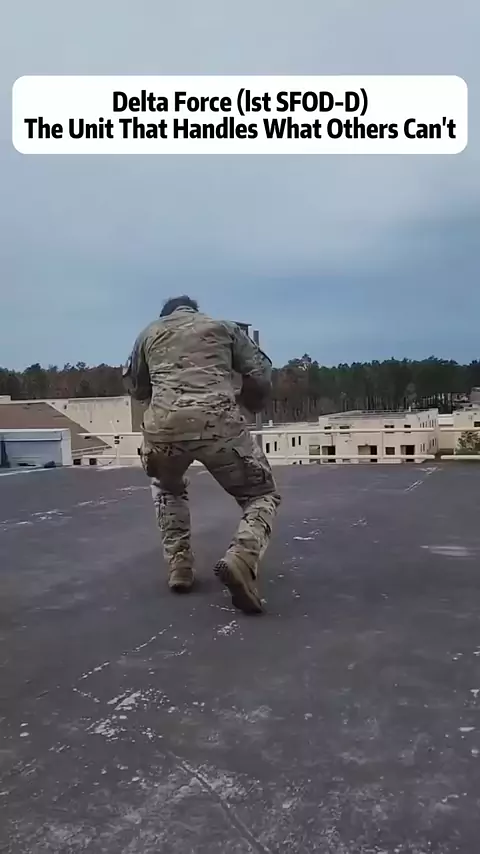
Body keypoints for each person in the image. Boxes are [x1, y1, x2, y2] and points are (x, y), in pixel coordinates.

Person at [123, 296, 281, 614]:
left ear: (166, 315)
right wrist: (249, 403)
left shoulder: (149, 333)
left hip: (163, 431)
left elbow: (137, 388)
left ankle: (179, 566)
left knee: (167, 488)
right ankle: (242, 557)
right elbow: (261, 372)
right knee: (261, 494)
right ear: (195, 311)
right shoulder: (224, 328)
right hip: (218, 425)